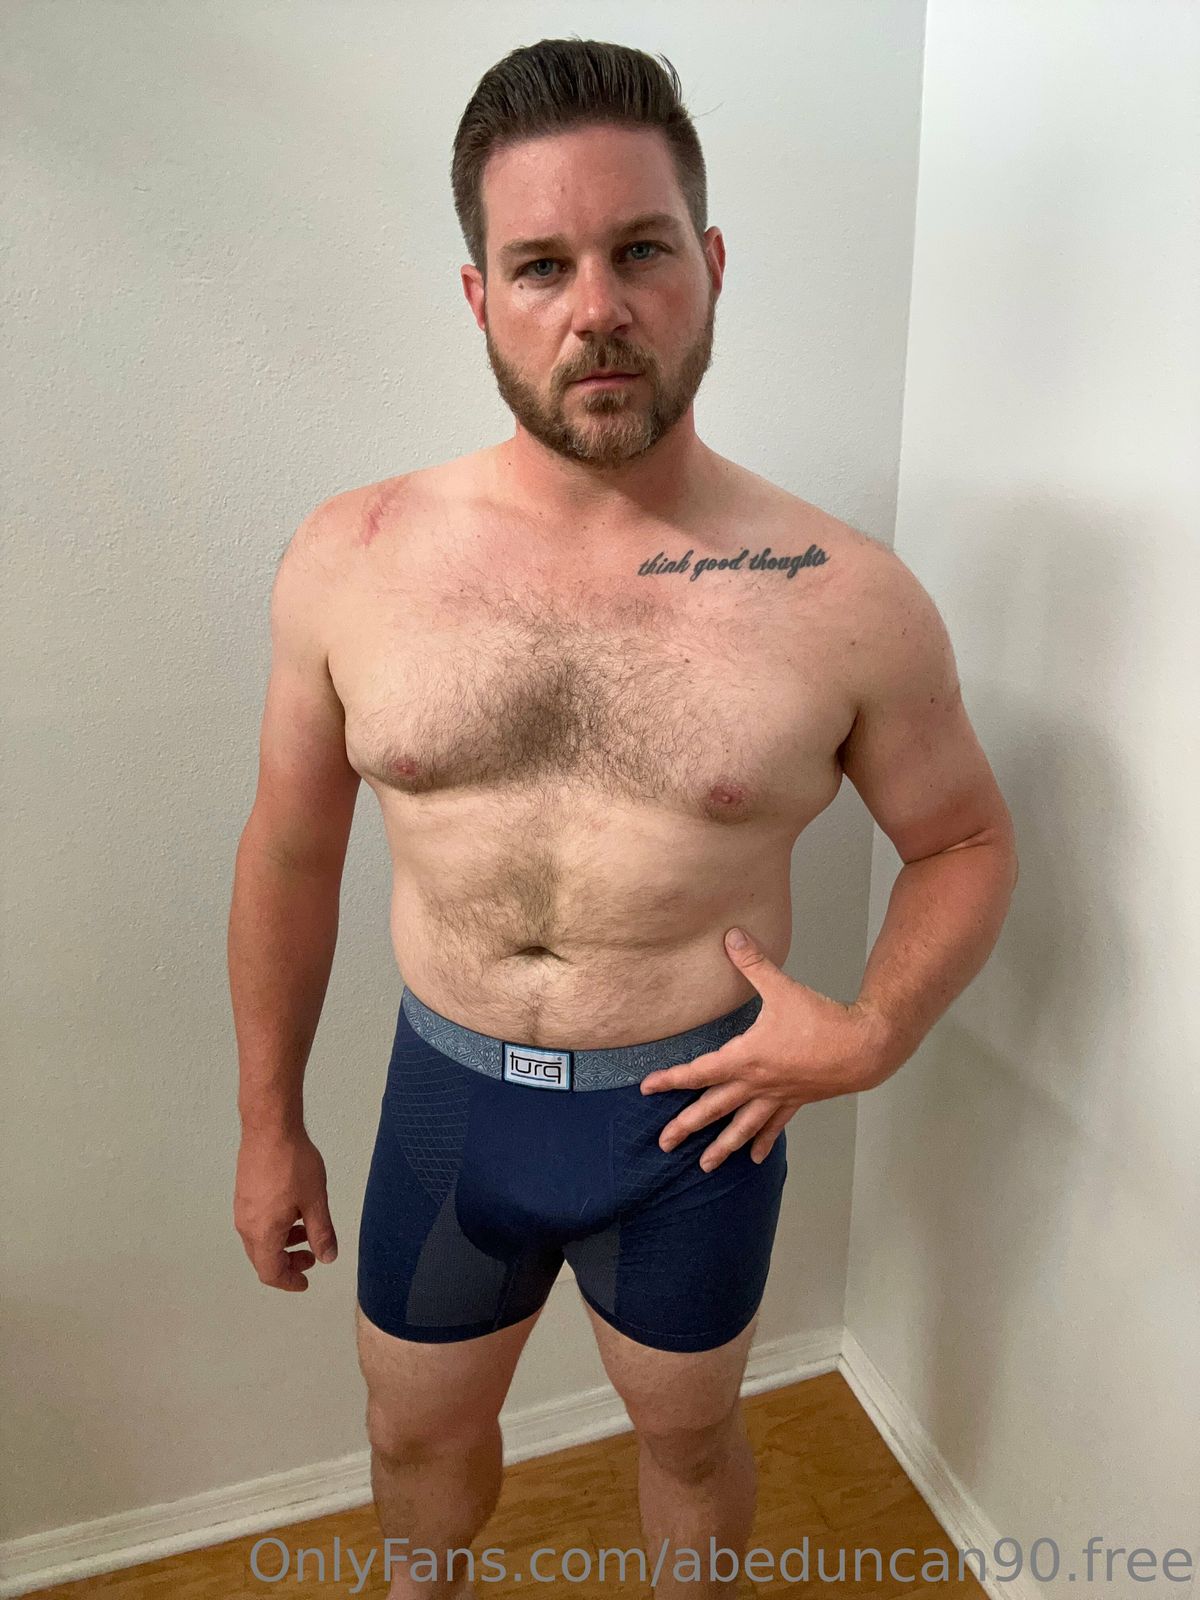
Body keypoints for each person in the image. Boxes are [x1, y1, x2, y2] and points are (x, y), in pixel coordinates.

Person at [229, 37, 1018, 1600]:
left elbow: (965, 842)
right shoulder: (352, 556)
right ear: (481, 297)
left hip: (693, 1121)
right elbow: (291, 850)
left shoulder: (846, 599)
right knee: (413, 1436)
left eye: (640, 251)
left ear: (709, 267)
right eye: (542, 265)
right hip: (450, 1106)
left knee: (690, 1440)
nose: (596, 307)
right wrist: (267, 1121)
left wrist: (877, 1030)